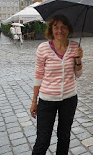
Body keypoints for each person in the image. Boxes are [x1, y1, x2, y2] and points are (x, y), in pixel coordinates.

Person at [30, 14, 83, 155]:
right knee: (43, 140)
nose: (60, 30)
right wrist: (34, 101)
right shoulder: (43, 48)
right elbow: (38, 76)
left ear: (68, 29)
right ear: (51, 29)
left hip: (69, 99)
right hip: (47, 100)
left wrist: (79, 60)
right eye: (56, 27)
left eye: (63, 27)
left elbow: (78, 74)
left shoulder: (74, 47)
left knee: (64, 137)